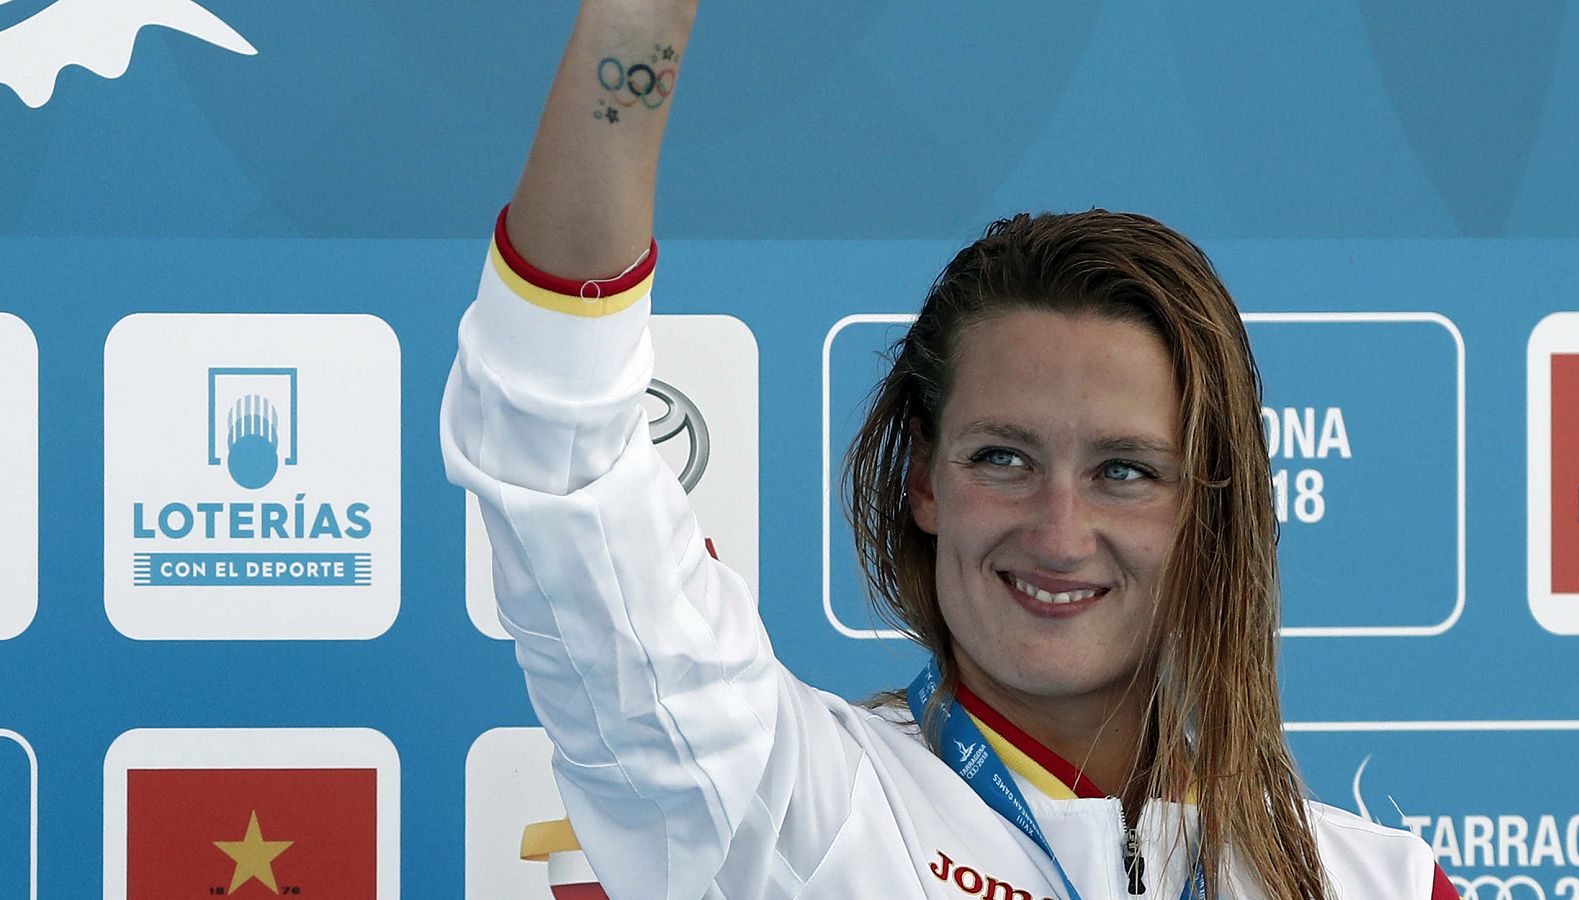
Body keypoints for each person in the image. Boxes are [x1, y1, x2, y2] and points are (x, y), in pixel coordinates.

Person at [440, 2, 1460, 897]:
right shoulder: (788, 805)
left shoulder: (1372, 881)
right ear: (923, 479)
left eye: (1125, 472)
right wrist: (636, 24)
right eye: (1003, 459)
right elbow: (557, 451)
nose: (1060, 532)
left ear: (1209, 510)